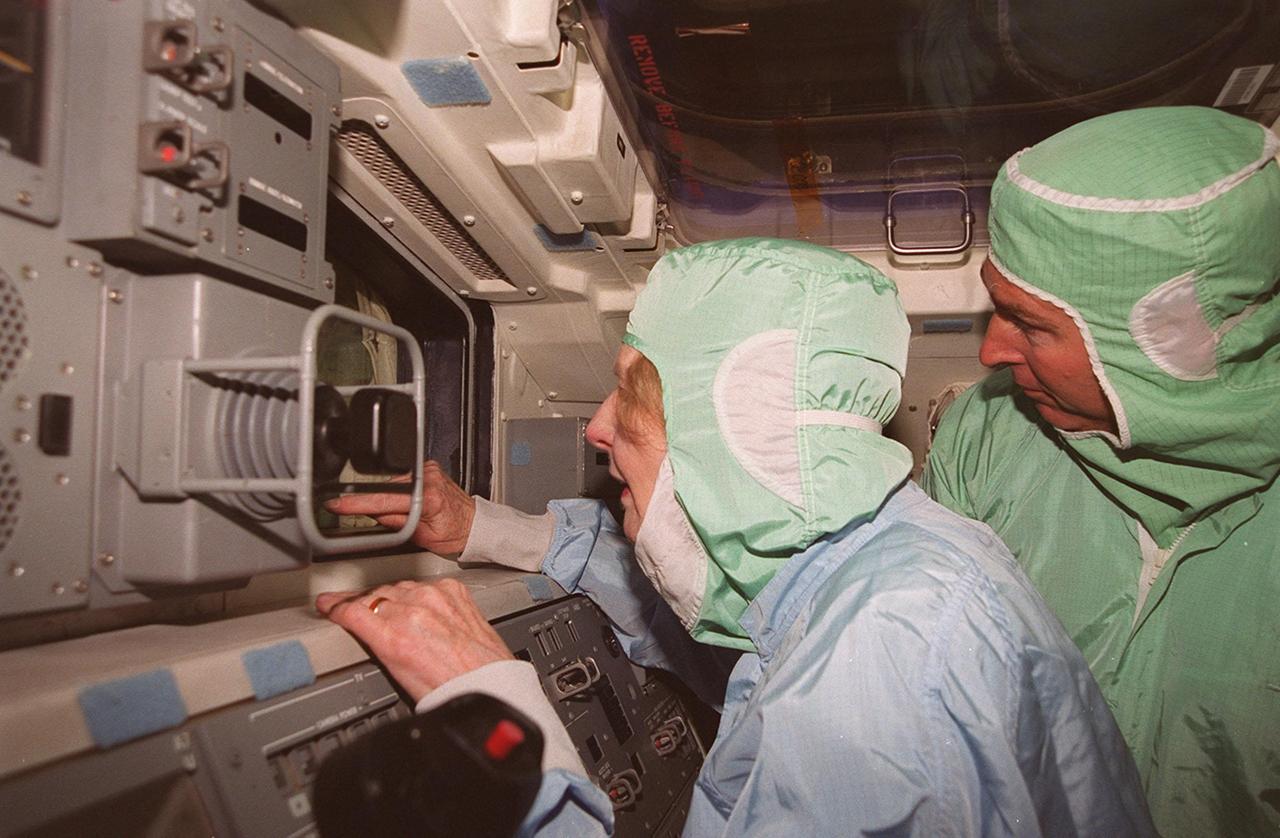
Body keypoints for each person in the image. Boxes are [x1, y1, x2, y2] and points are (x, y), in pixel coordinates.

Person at [318, 238, 1153, 835]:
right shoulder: (885, 569)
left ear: (736, 436)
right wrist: (481, 528)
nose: (599, 428)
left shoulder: (882, 671)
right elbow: (735, 639)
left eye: (632, 397)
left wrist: (497, 725)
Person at [920, 106, 1280, 837]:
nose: (990, 353)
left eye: (1033, 323)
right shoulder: (984, 437)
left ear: (1164, 345)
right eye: (997, 308)